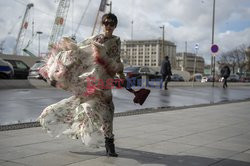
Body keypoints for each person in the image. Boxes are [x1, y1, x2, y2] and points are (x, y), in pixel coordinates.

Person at [38, 13, 124, 157]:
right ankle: (92, 134)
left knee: (108, 111)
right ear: (103, 25)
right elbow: (80, 50)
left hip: (105, 82)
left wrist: (121, 74)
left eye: (112, 23)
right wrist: (64, 53)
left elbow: (117, 59)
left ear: (115, 25)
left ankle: (109, 142)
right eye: (106, 23)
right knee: (87, 106)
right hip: (92, 80)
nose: (109, 26)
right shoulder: (96, 39)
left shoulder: (117, 41)